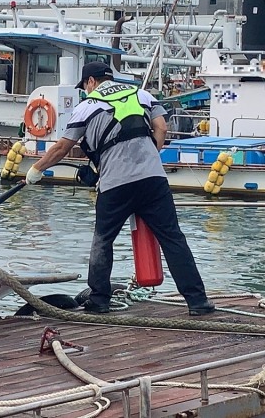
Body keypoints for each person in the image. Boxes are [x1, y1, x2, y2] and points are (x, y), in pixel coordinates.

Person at [24, 61, 215, 316]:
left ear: (91, 82)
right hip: (153, 180)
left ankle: (99, 301)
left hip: (116, 184)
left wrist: (36, 170)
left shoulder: (87, 106)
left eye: (85, 86)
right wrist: (150, 156)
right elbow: (161, 127)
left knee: (103, 241)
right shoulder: (142, 95)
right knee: (173, 238)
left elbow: (62, 148)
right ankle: (198, 302)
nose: (86, 90)